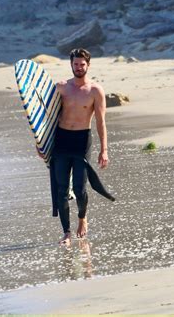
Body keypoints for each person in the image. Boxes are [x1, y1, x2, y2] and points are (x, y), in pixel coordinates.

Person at [38, 48, 110, 246]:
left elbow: (101, 122)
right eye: (76, 64)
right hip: (61, 140)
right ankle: (66, 233)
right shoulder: (61, 87)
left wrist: (104, 150)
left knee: (79, 188)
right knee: (61, 188)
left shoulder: (95, 91)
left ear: (88, 65)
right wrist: (40, 142)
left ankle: (82, 217)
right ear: (71, 65)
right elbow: (46, 118)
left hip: (81, 141)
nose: (79, 67)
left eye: (82, 64)